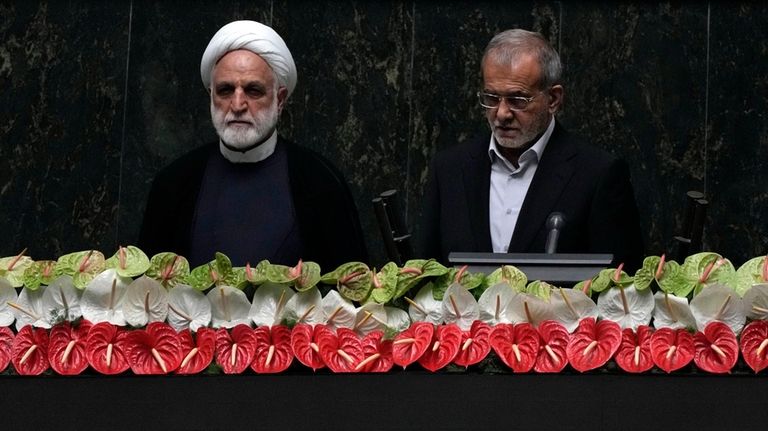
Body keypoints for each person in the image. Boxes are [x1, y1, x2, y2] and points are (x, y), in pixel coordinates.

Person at [139, 20, 367, 270]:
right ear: (210, 96)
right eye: (225, 90)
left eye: (253, 90)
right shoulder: (173, 184)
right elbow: (146, 293)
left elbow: (354, 295)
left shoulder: (321, 183)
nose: (237, 105)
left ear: (279, 100)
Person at [419, 29, 644, 271]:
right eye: (492, 98)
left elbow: (622, 287)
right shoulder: (450, 168)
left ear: (553, 99)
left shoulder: (597, 174)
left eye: (518, 100)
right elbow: (424, 273)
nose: (502, 113)